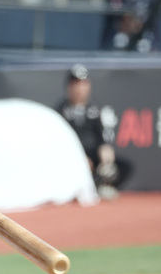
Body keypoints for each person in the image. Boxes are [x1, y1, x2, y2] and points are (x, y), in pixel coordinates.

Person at [56, 64, 131, 199]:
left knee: (124, 167)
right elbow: (60, 142)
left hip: (94, 158)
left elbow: (102, 138)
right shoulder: (60, 111)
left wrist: (105, 154)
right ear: (69, 87)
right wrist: (79, 158)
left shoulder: (94, 110)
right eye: (75, 84)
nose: (79, 88)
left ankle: (99, 184)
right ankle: (89, 186)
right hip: (72, 159)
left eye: (83, 84)